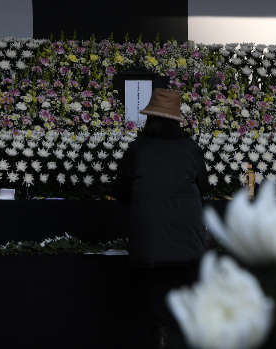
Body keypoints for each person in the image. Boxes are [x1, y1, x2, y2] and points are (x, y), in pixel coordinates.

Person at [113, 88, 208, 349]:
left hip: (150, 229)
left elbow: (121, 189)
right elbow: (203, 187)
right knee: (193, 282)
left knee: (155, 281)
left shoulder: (137, 148)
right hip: (186, 229)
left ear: (150, 118)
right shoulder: (190, 147)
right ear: (176, 119)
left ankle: (162, 337)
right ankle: (202, 334)